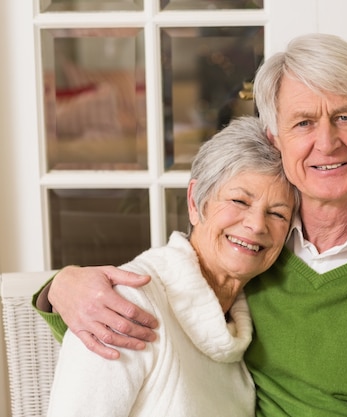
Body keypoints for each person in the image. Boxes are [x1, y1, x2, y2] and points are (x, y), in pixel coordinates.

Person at [35, 33, 347, 416]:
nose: (326, 143)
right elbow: (162, 307)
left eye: (344, 117)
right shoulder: (259, 251)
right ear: (277, 139)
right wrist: (61, 287)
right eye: (303, 123)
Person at [45, 116, 298, 417]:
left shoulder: (243, 327)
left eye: (278, 214)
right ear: (195, 202)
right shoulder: (124, 306)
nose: (257, 225)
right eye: (239, 201)